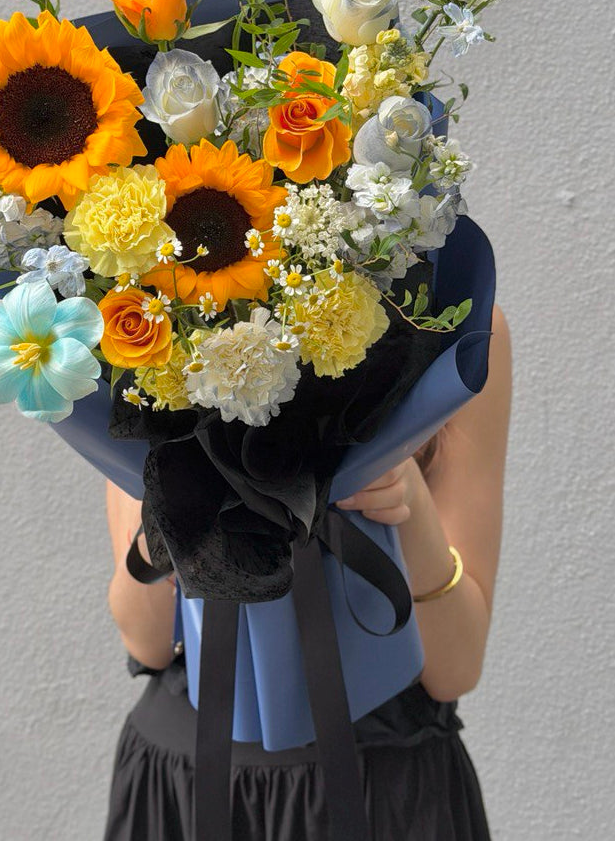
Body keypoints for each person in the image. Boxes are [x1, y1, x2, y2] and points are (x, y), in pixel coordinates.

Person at [101, 303, 512, 841]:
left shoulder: (457, 321)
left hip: (386, 788)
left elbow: (456, 668)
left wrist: (406, 501)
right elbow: (147, 642)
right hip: (191, 780)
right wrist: (174, 512)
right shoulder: (151, 310)